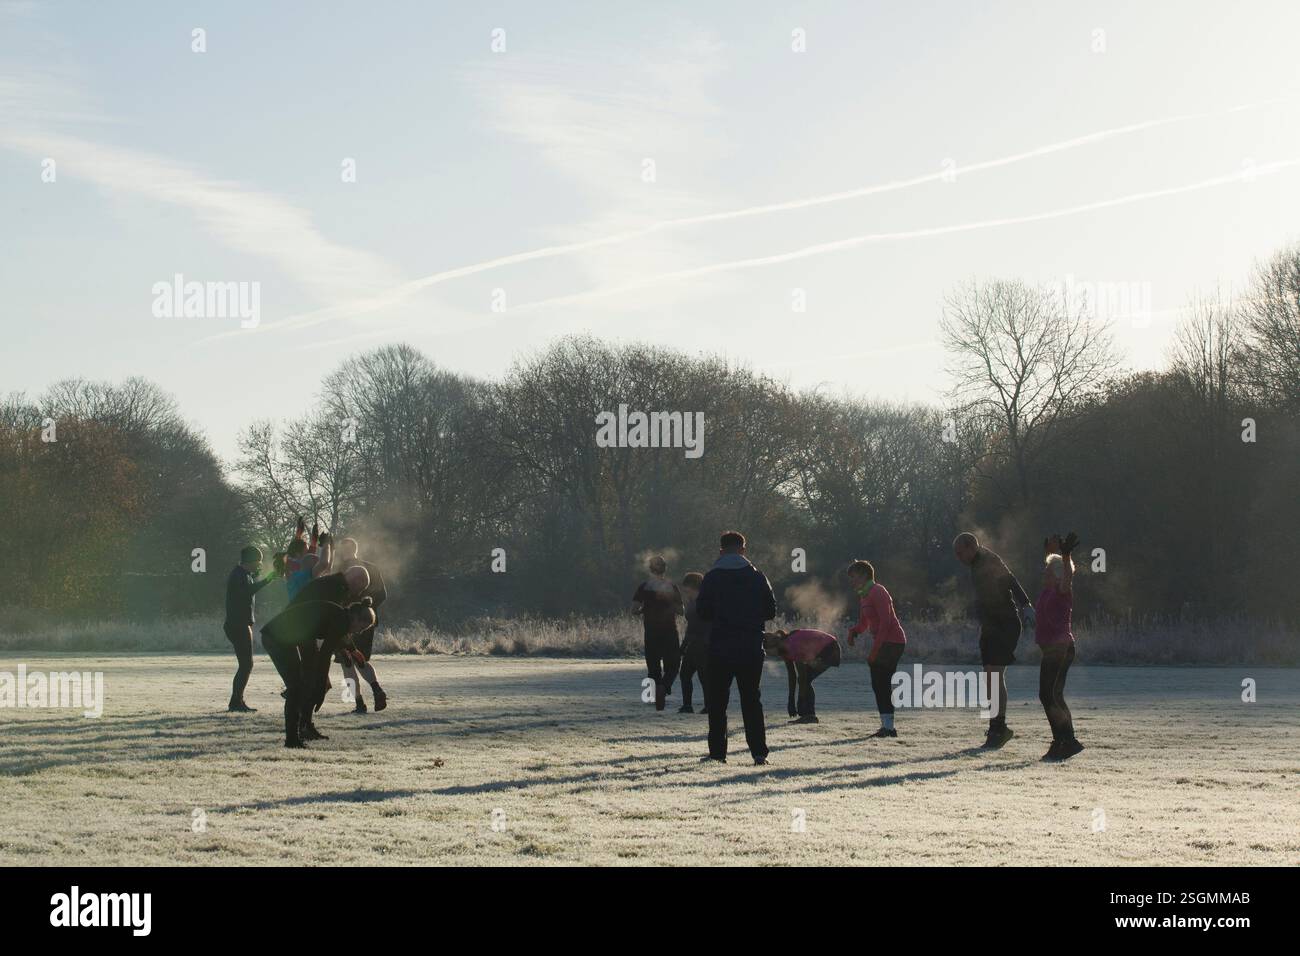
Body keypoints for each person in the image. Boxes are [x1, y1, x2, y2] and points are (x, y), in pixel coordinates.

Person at [697, 531, 777, 765]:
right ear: (743, 550)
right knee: (752, 700)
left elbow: (702, 612)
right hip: (750, 646)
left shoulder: (712, 578)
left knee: (717, 702)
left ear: (721, 551)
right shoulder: (757, 576)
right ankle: (759, 752)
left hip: (720, 646)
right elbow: (771, 610)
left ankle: (718, 753)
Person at [953, 532, 1035, 749]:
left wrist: (1026, 605)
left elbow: (1011, 581)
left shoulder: (989, 559)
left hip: (1005, 624)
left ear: (971, 546)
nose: (958, 557)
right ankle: (997, 728)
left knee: (994, 674)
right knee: (990, 677)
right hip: (990, 627)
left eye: (960, 552)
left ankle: (998, 729)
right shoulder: (975, 564)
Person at [260, 600, 374, 748]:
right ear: (356, 618)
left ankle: (303, 729)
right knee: (297, 688)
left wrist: (352, 649)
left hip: (286, 636)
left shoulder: (340, 615)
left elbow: (336, 637)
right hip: (277, 637)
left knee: (303, 685)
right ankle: (292, 740)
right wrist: (320, 687)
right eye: (362, 627)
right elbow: (325, 655)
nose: (360, 632)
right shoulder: (340, 620)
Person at [288, 565, 371, 732]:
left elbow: (332, 628)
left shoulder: (334, 584)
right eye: (360, 588)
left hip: (302, 630)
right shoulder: (335, 588)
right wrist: (345, 648)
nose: (357, 593)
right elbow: (334, 628)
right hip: (299, 630)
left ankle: (304, 723)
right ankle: (303, 725)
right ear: (356, 579)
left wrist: (349, 648)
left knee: (316, 681)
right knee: (313, 680)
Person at [846, 560, 907, 738]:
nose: (852, 581)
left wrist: (875, 651)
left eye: (854, 576)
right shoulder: (864, 595)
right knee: (879, 684)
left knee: (881, 682)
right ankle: (887, 727)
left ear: (865, 575)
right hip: (884, 642)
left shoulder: (878, 591)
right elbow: (864, 623)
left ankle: (888, 728)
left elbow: (886, 623)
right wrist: (854, 631)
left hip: (893, 641)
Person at [1037, 532, 1083, 761]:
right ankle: (1066, 740)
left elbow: (1067, 576)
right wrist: (1050, 553)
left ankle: (1064, 741)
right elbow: (1051, 565)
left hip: (1060, 648)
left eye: (1047, 572)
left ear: (1055, 577)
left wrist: (1065, 557)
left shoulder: (1062, 590)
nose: (1043, 573)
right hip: (1052, 648)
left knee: (1047, 695)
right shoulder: (1047, 589)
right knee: (1053, 694)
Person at [334, 537, 389, 713]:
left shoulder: (341, 570)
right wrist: (367, 612)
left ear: (347, 550)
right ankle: (376, 689)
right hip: (367, 621)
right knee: (361, 660)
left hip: (345, 623)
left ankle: (358, 702)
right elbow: (382, 595)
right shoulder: (372, 567)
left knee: (347, 663)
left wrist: (353, 610)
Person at [223, 546, 275, 712]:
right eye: (258, 561)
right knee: (246, 664)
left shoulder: (242, 574)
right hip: (238, 624)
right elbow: (246, 591)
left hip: (238, 624)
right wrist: (268, 579)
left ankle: (236, 701)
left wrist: (258, 575)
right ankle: (236, 702)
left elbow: (248, 585)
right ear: (250, 561)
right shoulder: (238, 575)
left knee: (246, 664)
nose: (259, 564)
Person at [632, 556, 684, 711]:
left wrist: (643, 610)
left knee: (653, 665)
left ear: (650, 569)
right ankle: (664, 686)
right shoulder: (671, 586)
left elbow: (633, 610)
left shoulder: (644, 587)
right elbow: (681, 611)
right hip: (669, 631)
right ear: (664, 569)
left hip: (651, 631)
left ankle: (651, 696)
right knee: (673, 665)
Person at [764, 628, 840, 723]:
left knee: (805, 678)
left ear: (773, 646)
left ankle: (809, 715)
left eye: (767, 651)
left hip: (830, 649)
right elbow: (792, 676)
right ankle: (809, 715)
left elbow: (802, 675)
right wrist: (791, 701)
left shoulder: (791, 645)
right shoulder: (783, 648)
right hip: (828, 648)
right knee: (805, 679)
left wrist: (800, 700)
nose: (768, 654)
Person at [678, 571, 710, 714]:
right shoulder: (692, 602)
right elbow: (690, 627)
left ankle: (708, 706)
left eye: (687, 587)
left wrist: (683, 646)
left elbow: (696, 627)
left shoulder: (702, 603)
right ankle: (687, 705)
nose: (685, 590)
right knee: (685, 674)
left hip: (702, 644)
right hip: (694, 643)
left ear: (692, 586)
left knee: (703, 677)